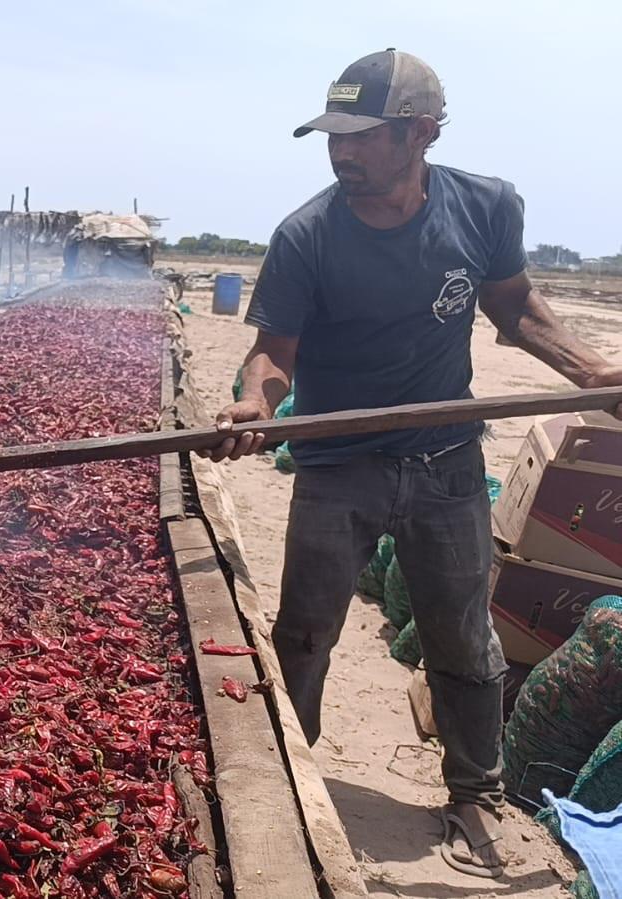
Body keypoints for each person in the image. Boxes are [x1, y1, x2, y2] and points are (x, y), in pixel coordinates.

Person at [210, 49, 622, 879]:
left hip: (446, 463)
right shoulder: (305, 234)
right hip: (337, 463)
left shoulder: (485, 205)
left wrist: (592, 371)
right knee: (303, 633)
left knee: (463, 638)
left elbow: (512, 304)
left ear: (420, 132)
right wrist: (255, 403)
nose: (341, 151)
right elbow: (273, 353)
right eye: (333, 136)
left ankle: (474, 792)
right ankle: (293, 768)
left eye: (360, 135)